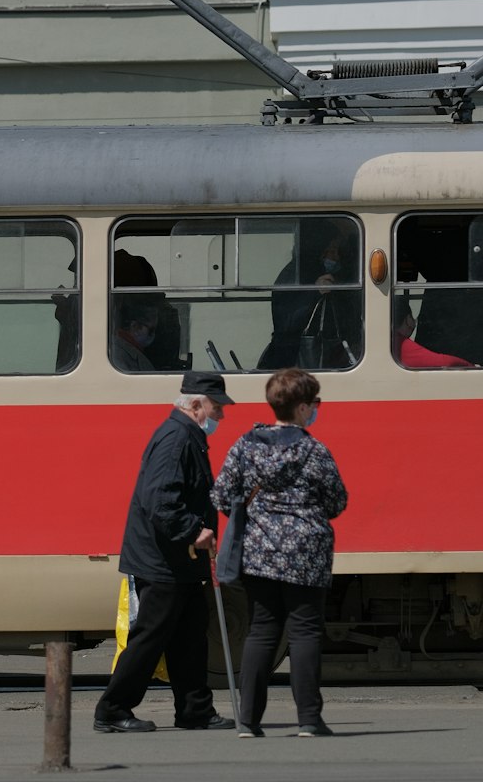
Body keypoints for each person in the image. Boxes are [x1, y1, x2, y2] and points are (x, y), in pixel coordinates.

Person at [93, 370, 236, 733]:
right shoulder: (177, 439)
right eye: (216, 408)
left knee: (189, 635)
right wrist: (194, 531)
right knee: (152, 636)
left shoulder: (186, 436)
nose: (221, 416)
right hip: (163, 560)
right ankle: (113, 708)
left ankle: (194, 709)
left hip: (179, 560)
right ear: (195, 404)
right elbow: (161, 502)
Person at [210, 367, 348, 739]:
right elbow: (337, 501)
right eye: (314, 403)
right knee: (304, 633)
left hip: (259, 552)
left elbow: (222, 495)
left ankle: (248, 721)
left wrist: (260, 516)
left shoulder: (245, 445)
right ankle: (309, 720)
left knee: (260, 632)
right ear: (302, 408)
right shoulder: (313, 450)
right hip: (306, 554)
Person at [258, 220, 361, 371]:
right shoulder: (294, 276)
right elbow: (287, 323)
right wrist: (314, 291)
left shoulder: (318, 273)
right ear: (319, 249)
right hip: (293, 361)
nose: (336, 257)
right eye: (331, 250)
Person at [393, 295, 472, 370]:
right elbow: (445, 362)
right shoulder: (401, 343)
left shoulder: (388, 340)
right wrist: (471, 366)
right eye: (412, 317)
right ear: (408, 319)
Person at [110, 296, 162, 373]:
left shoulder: (130, 351)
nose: (153, 335)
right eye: (151, 331)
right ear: (135, 326)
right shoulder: (118, 355)